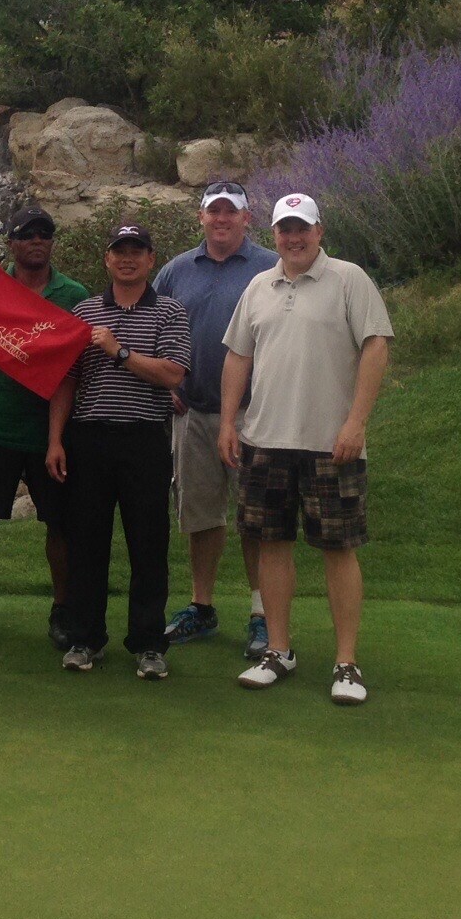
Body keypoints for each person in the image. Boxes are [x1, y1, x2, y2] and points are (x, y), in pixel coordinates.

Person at [220, 192, 392, 706]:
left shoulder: (349, 279)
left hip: (331, 443)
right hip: (264, 440)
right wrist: (228, 422)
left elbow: (376, 347)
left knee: (339, 549)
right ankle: (278, 650)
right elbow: (237, 357)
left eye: (302, 228)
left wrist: (356, 423)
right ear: (273, 234)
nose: (293, 238)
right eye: (285, 229)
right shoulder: (259, 285)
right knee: (271, 545)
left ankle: (346, 662)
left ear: (319, 231)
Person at [46, 223, 192, 678]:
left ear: (151, 260)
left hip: (144, 438)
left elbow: (172, 374)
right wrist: (55, 439)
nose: (128, 259)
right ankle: (85, 638)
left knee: (148, 543)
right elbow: (67, 380)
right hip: (89, 438)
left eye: (137, 251)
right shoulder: (85, 310)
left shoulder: (169, 311)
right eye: (119, 251)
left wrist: (119, 351)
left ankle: (148, 644)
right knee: (86, 543)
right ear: (107, 259)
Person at [153, 179, 280, 659]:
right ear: (201, 217)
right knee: (201, 515)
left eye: (231, 211)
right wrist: (164, 383)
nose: (222, 219)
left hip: (256, 414)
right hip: (193, 412)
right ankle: (201, 606)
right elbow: (152, 326)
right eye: (214, 211)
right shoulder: (176, 270)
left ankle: (262, 613)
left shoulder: (270, 266)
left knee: (257, 518)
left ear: (247, 218)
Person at [0, 206, 90, 650]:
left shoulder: (73, 294)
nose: (37, 241)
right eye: (27, 234)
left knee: (59, 522)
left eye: (45, 234)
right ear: (12, 242)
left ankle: (62, 609)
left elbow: (77, 365)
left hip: (51, 430)